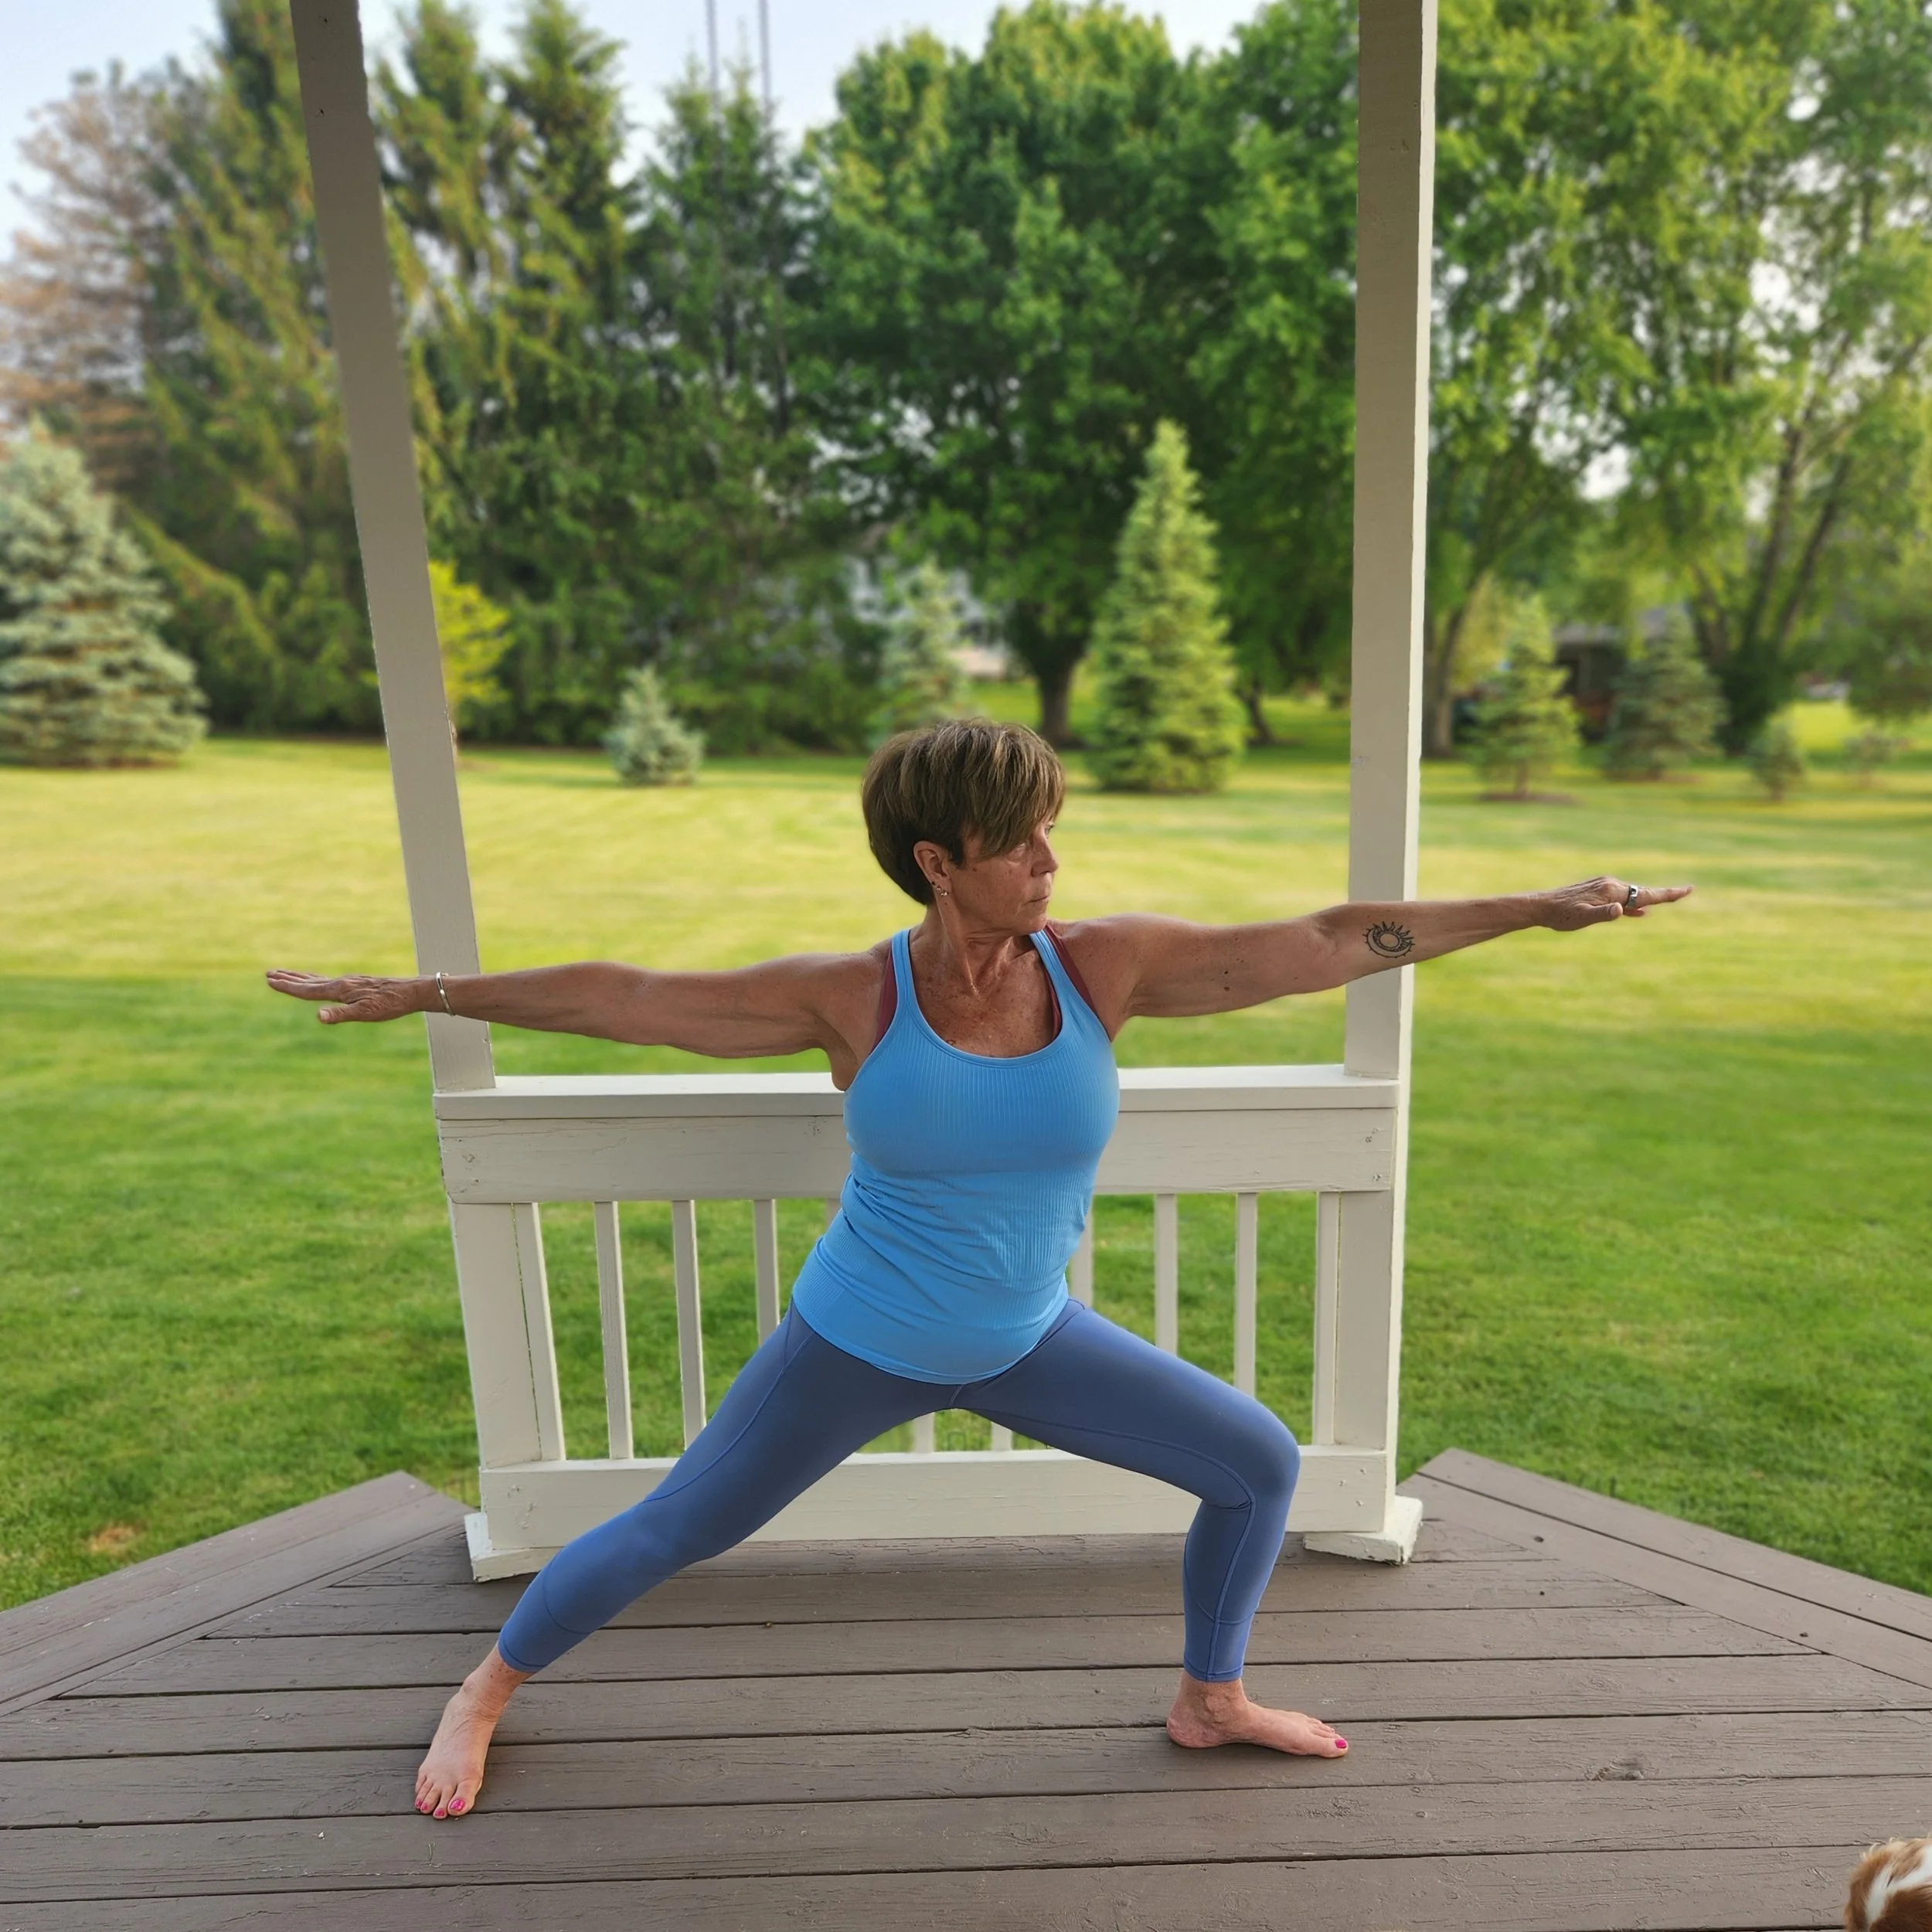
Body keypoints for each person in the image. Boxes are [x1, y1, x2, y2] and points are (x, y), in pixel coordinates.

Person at [267, 718, 1690, 1821]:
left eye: (1054, 834)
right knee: (674, 1533)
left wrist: (1532, 907)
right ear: (939, 861)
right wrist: (426, 992)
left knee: (1256, 1463)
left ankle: (1211, 1697)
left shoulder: (1101, 967)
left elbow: (1323, 941)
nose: (1054, 864)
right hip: (858, 1340)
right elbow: (626, 998)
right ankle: (487, 1687)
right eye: (1024, 843)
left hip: (1027, 1337)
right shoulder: (855, 993)